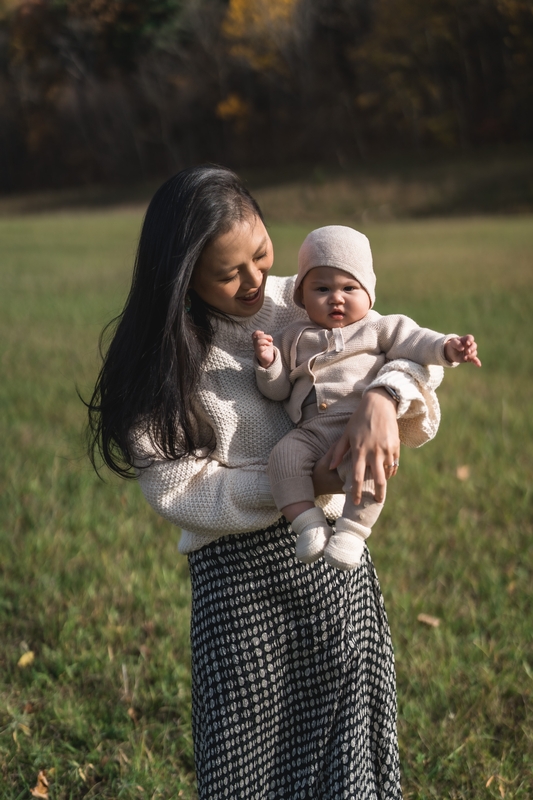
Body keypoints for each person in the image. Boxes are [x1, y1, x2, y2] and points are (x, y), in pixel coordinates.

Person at [87, 165, 447, 799]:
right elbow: (177, 489)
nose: (257, 280)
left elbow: (407, 348)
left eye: (260, 252)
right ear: (183, 280)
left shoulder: (301, 297)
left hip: (334, 573)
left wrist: (384, 401)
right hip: (237, 595)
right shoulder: (163, 366)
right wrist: (300, 478)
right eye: (230, 273)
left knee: (349, 762)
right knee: (246, 772)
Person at [252, 225, 481, 571]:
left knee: (371, 470)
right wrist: (268, 363)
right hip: (310, 431)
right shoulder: (292, 336)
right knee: (282, 459)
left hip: (357, 427)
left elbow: (417, 342)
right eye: (322, 288)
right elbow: (279, 389)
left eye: (349, 287)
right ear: (302, 295)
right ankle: (307, 524)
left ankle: (352, 531)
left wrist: (448, 347)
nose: (336, 298)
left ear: (369, 293)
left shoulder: (379, 327)